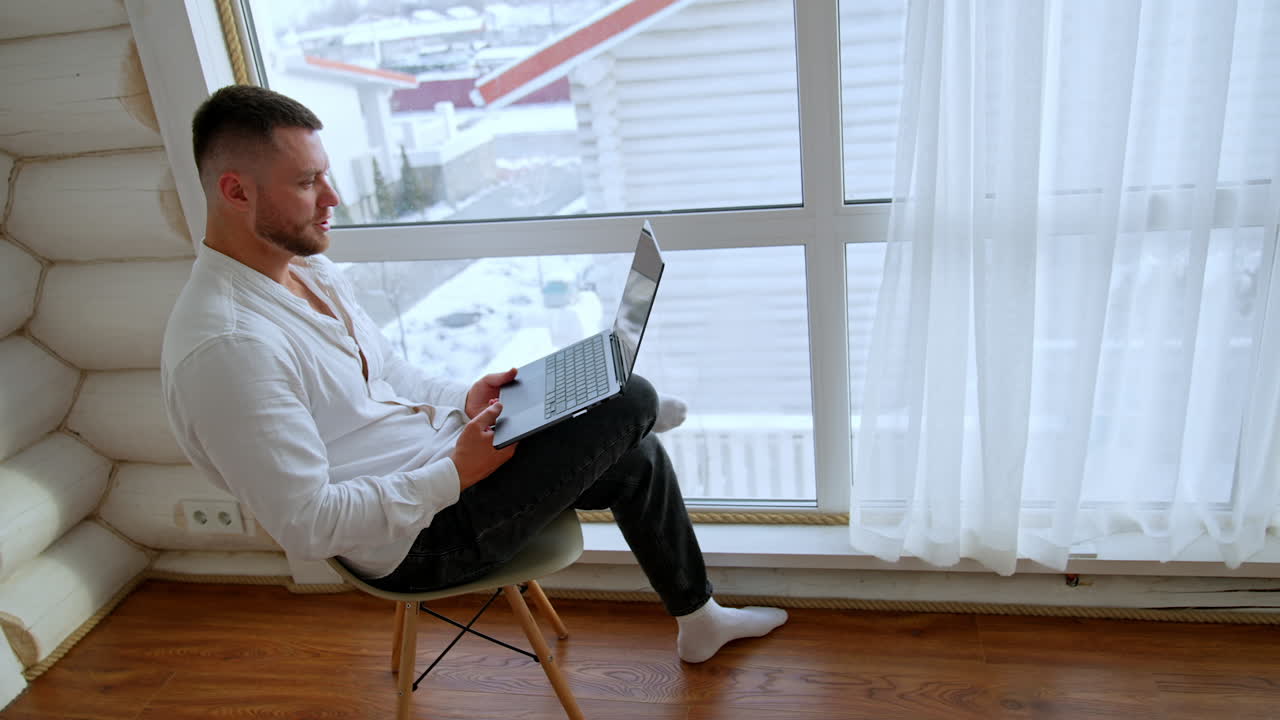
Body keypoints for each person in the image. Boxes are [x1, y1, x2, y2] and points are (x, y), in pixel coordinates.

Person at [160, 84, 786, 664]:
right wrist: (455, 472)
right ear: (236, 191)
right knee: (634, 400)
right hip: (416, 541)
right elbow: (310, 523)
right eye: (307, 183)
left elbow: (390, 373)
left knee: (632, 445)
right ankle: (631, 407)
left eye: (326, 175)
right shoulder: (229, 349)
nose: (333, 200)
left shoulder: (305, 269)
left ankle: (698, 618)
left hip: (440, 467)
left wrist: (464, 398)